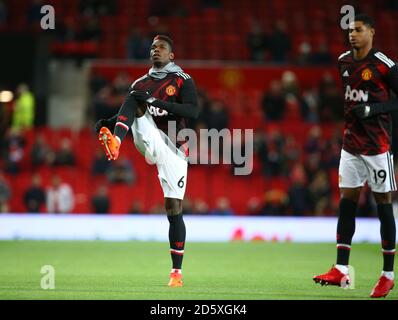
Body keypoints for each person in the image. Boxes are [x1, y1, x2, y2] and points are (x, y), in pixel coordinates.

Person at [95, 35, 198, 287]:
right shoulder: (141, 82)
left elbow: (192, 111)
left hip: (175, 148)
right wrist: (109, 123)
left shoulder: (183, 80)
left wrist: (157, 102)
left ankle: (176, 274)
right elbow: (132, 106)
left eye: (161, 47)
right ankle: (117, 142)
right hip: (151, 138)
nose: (156, 50)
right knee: (135, 96)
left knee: (174, 210)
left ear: (171, 55)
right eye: (153, 47)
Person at [313, 14, 398, 298]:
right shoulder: (343, 62)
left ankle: (388, 274)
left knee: (383, 205)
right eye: (350, 30)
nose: (352, 34)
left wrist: (374, 110)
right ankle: (341, 269)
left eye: (358, 30)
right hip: (350, 146)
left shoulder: (384, 65)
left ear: (372, 33)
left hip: (377, 147)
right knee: (346, 203)